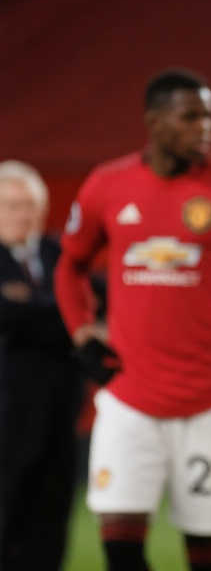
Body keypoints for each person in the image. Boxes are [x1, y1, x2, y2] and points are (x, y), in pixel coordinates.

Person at [55, 69, 211, 571]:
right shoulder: (107, 184)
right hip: (128, 399)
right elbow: (69, 266)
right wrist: (82, 333)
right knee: (119, 545)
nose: (205, 127)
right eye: (190, 117)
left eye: (209, 117)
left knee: (207, 551)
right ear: (155, 122)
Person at [0, 161, 82, 570]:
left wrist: (28, 309)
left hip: (60, 411)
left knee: (53, 515)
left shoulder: (62, 255)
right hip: (6, 415)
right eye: (12, 205)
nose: (23, 215)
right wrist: (66, 317)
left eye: (30, 205)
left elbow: (100, 302)